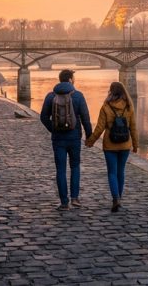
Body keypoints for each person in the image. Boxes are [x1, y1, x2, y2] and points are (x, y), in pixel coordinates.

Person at [40, 69, 93, 210]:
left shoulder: (51, 96)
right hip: (74, 138)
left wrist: (54, 129)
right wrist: (89, 136)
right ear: (70, 80)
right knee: (75, 167)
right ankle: (75, 198)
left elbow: (43, 117)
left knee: (61, 170)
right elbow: (86, 118)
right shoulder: (78, 96)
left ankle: (64, 202)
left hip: (58, 139)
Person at [85, 81, 138, 212]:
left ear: (111, 92)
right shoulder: (129, 106)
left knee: (112, 173)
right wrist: (135, 145)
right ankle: (119, 198)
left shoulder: (106, 106)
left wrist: (90, 141)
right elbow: (133, 128)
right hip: (125, 144)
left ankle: (115, 199)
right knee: (121, 172)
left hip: (110, 144)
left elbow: (99, 128)